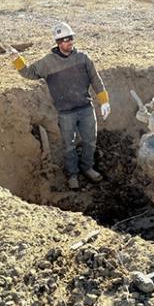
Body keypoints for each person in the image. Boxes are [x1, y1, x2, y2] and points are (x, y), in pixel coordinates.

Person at [9, 22, 110, 189]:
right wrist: (17, 60)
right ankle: (72, 175)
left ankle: (88, 168)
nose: (69, 42)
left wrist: (104, 100)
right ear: (58, 42)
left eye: (70, 38)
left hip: (86, 108)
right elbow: (29, 73)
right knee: (69, 145)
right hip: (65, 113)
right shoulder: (48, 63)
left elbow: (95, 79)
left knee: (90, 141)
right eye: (64, 39)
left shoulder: (83, 58)